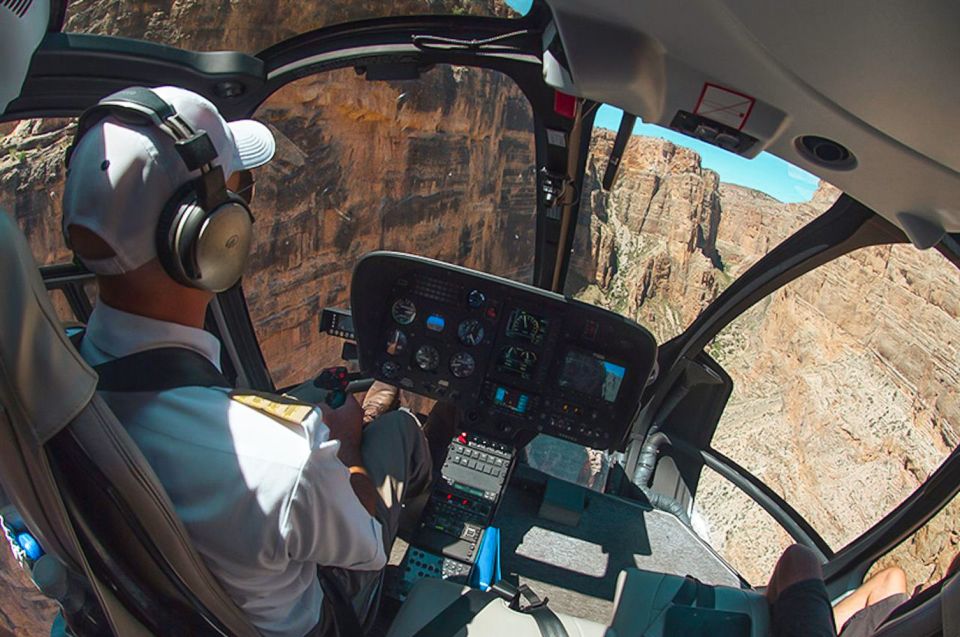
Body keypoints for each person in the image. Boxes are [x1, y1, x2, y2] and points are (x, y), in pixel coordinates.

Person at [61, 85, 432, 637]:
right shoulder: (283, 459)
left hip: (159, 606)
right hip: (309, 621)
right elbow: (367, 546)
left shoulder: (46, 384)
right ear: (211, 237)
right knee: (396, 431)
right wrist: (348, 443)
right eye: (242, 193)